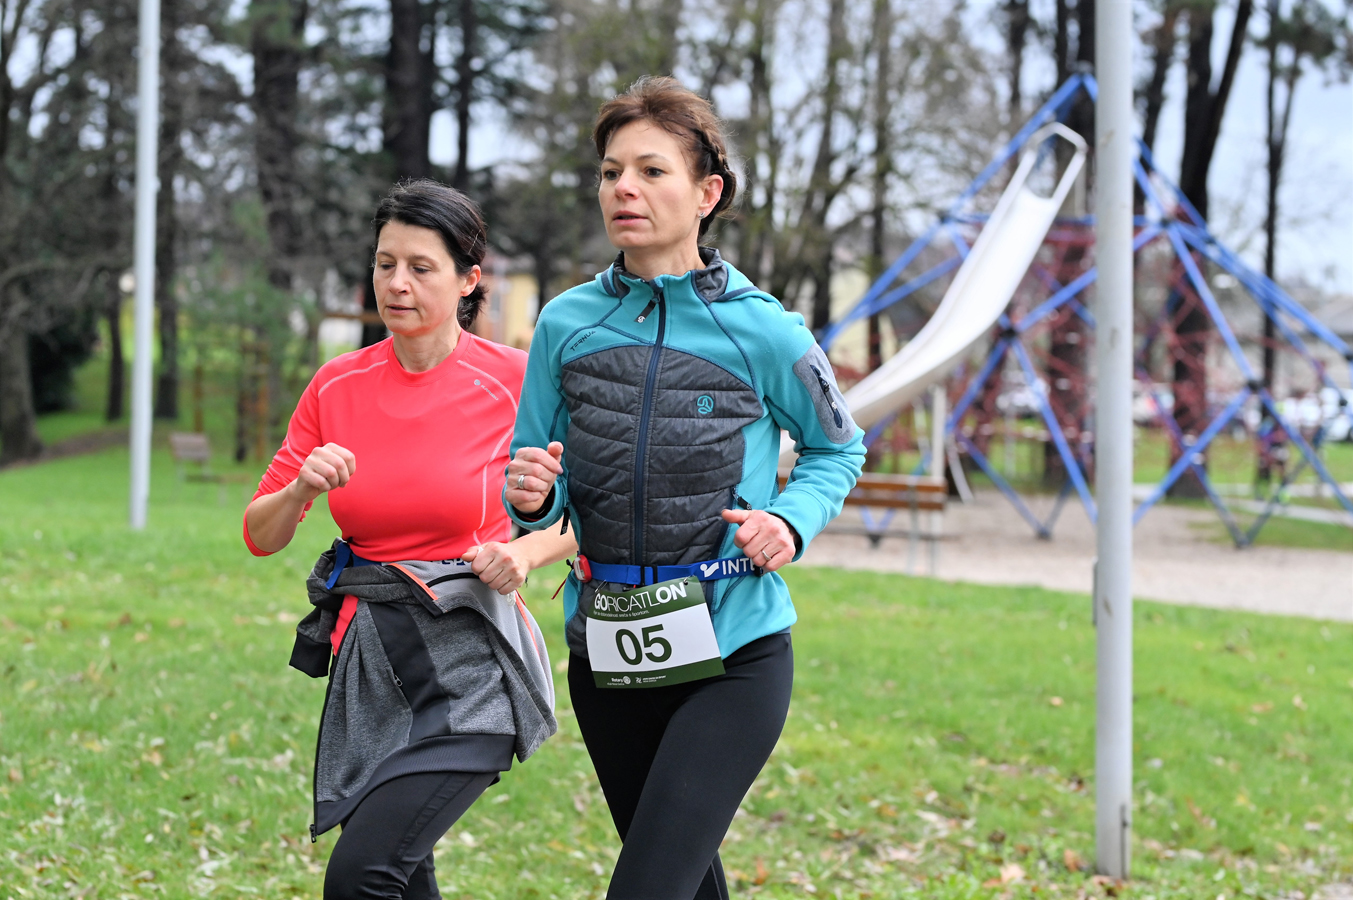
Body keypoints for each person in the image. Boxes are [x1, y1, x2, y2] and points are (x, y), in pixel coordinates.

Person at [504, 76, 865, 900]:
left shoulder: (764, 327)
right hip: (607, 654)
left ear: (708, 193)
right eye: (610, 172)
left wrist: (790, 522)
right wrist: (529, 497)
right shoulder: (564, 323)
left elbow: (837, 448)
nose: (622, 188)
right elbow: (533, 478)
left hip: (731, 654)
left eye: (650, 170)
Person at [242, 180, 576, 900]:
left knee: (363, 877)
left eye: (421, 267)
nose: (397, 283)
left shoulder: (515, 382)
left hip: (473, 662)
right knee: (399, 876)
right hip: (373, 666)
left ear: (468, 280)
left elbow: (588, 514)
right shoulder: (336, 385)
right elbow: (259, 534)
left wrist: (523, 553)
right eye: (385, 263)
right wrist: (300, 490)